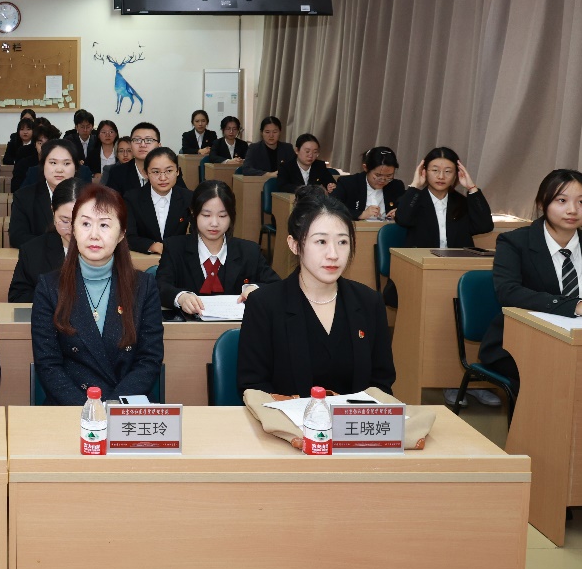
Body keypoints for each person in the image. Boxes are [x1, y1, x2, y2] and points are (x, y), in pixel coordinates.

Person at [479, 169, 582, 397]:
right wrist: (578, 306)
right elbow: (509, 292)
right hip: (520, 342)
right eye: (561, 200)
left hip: (578, 340)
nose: (572, 210)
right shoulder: (515, 242)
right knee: (563, 374)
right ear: (542, 204)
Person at [237, 187, 396, 398]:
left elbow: (381, 383)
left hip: (352, 419)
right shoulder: (264, 304)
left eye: (342, 242)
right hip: (284, 418)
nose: (333, 254)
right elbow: (253, 385)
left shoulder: (369, 302)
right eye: (321, 241)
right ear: (294, 245)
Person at [31, 184, 164, 404]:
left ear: (121, 234)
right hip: (69, 407)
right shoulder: (49, 287)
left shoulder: (144, 286)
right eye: (85, 224)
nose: (94, 235)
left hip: (124, 407)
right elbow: (48, 364)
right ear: (74, 230)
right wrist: (89, 410)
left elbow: (149, 360)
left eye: (104, 225)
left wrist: (112, 407)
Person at [157, 180, 278, 316]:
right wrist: (180, 297)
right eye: (206, 215)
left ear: (231, 216)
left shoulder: (249, 251)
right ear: (194, 213)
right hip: (191, 326)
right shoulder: (174, 247)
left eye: (222, 216)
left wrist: (255, 288)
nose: (214, 223)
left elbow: (276, 285)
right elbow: (161, 286)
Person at [395, 146, 493, 248]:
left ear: (456, 174)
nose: (441, 176)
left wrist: (472, 187)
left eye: (448, 171)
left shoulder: (462, 203)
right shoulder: (413, 200)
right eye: (435, 170)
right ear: (424, 172)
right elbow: (402, 219)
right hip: (422, 257)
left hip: (457, 258)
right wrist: (415, 184)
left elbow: (485, 226)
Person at [9, 177, 87, 303]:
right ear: (53, 212)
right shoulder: (32, 251)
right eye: (65, 221)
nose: (72, 229)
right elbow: (18, 297)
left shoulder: (106, 249)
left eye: (82, 222)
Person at [10, 139, 79, 248]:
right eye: (53, 163)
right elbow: (17, 236)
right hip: (41, 256)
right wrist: (58, 245)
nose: (59, 170)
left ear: (76, 167)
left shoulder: (90, 197)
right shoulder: (24, 197)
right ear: (43, 165)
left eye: (66, 163)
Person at [125, 146, 192, 254]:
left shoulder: (189, 198)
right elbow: (128, 236)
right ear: (146, 173)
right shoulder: (132, 198)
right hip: (145, 259)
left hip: (179, 257)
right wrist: (152, 246)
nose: (163, 178)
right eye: (156, 172)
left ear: (177, 171)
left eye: (169, 171)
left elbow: (196, 235)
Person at [334, 147, 405, 220]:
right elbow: (331, 207)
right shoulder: (348, 183)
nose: (383, 180)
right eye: (378, 175)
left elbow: (406, 209)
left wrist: (399, 212)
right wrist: (360, 214)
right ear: (365, 168)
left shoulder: (397, 186)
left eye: (389, 176)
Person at [101, 122, 162, 196]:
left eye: (148, 140)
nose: (142, 145)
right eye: (137, 140)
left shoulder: (169, 170)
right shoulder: (117, 173)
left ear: (159, 146)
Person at [11, 121, 58, 193]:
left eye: (47, 143)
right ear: (35, 145)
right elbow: (16, 189)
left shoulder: (59, 166)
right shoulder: (23, 165)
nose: (43, 147)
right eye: (40, 143)